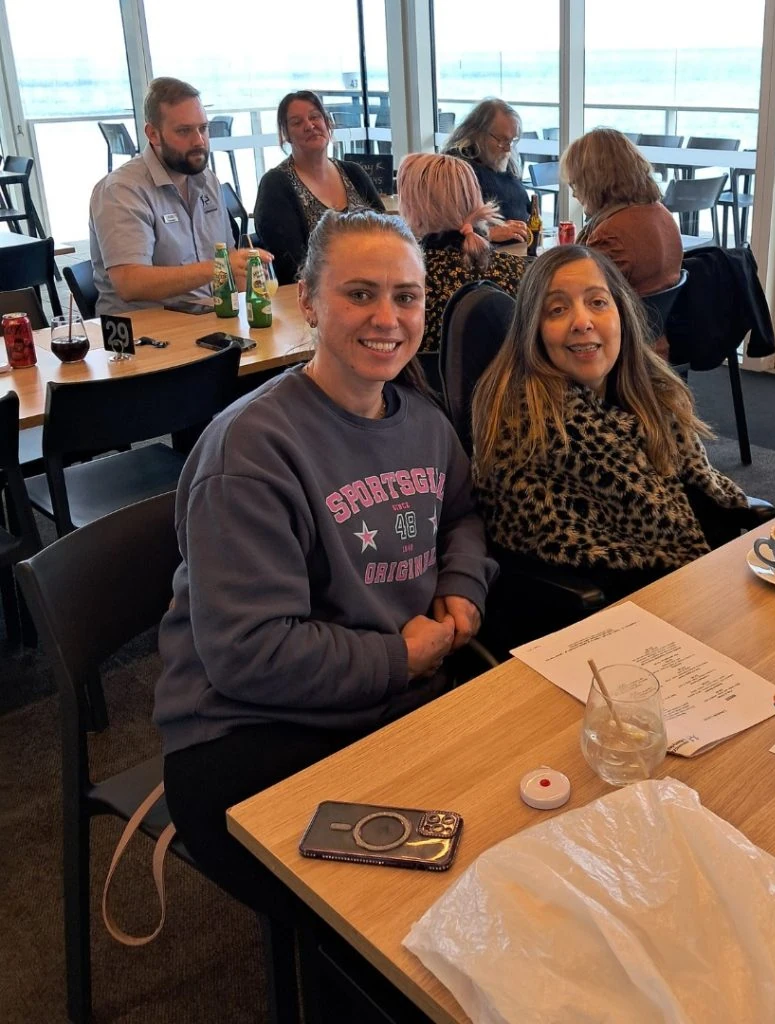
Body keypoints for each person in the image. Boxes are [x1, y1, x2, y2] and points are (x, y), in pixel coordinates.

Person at [154, 210, 497, 922]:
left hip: (389, 698)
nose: (388, 318)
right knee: (400, 922)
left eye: (406, 296)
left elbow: (461, 512)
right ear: (307, 301)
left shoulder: (424, 420)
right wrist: (397, 658)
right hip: (253, 730)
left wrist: (462, 587)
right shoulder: (249, 452)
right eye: (360, 293)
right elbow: (248, 653)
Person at [472, 245, 746, 602]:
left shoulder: (654, 397)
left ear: (621, 313)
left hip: (708, 592)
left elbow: (703, 504)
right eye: (557, 309)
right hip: (626, 624)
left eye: (598, 302)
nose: (582, 321)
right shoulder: (529, 431)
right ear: (533, 331)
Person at [89, 77, 271, 316]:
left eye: (203, 129)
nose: (198, 141)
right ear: (153, 134)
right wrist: (219, 266)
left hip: (209, 318)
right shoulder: (122, 190)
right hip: (145, 334)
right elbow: (129, 282)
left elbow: (229, 269)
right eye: (184, 131)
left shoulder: (208, 181)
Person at [397, 152, 525, 353]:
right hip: (508, 382)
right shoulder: (521, 272)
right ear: (474, 196)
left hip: (425, 384)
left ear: (412, 207)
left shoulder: (406, 287)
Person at [254, 91, 385, 285]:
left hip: (374, 282)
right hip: (314, 295)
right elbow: (291, 267)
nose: (309, 125)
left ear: (327, 123)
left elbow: (386, 232)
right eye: (297, 122)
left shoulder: (353, 173)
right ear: (286, 134)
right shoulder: (275, 185)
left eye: (315, 117)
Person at [561, 129, 683, 298]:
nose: (575, 194)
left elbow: (580, 294)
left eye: (576, 184)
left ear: (593, 182)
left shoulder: (611, 235)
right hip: (654, 319)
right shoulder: (662, 215)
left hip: (621, 321)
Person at [443, 98, 531, 245]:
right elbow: (442, 233)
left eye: (511, 141)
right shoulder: (456, 168)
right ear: (477, 133)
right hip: (482, 258)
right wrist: (488, 233)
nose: (508, 148)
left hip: (517, 252)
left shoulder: (504, 162)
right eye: (501, 140)